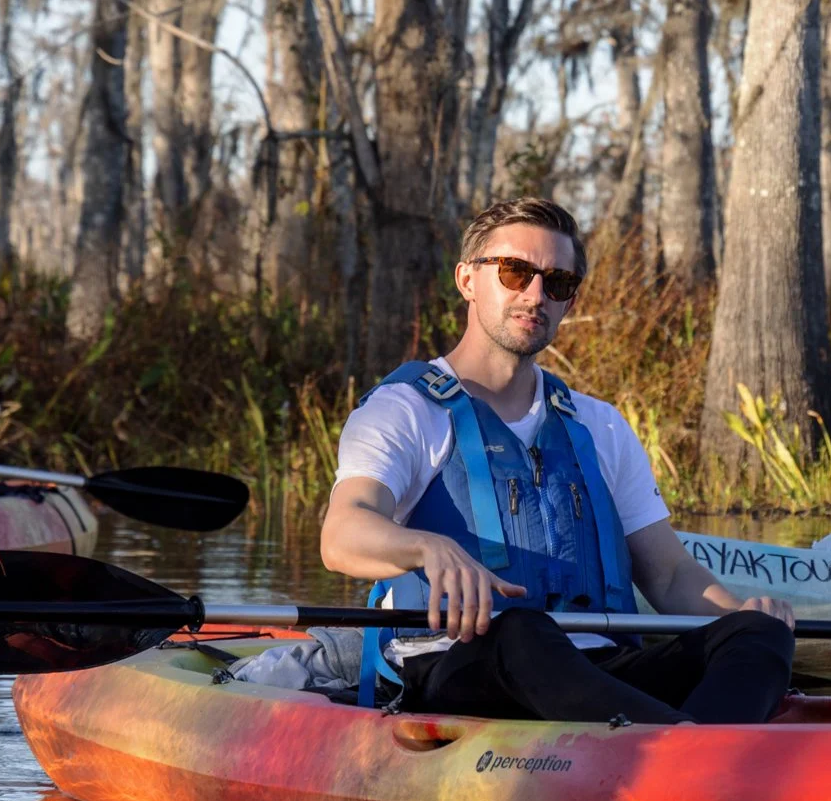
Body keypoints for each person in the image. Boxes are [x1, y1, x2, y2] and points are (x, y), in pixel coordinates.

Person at [320, 197, 797, 724]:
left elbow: (668, 575)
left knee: (758, 635)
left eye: (557, 282)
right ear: (467, 281)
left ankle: (697, 758)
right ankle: (688, 748)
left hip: (600, 667)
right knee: (523, 630)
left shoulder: (601, 425)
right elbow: (342, 535)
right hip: (462, 664)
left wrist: (740, 615)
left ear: (569, 300)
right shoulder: (405, 410)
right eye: (515, 272)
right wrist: (427, 548)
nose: (535, 295)